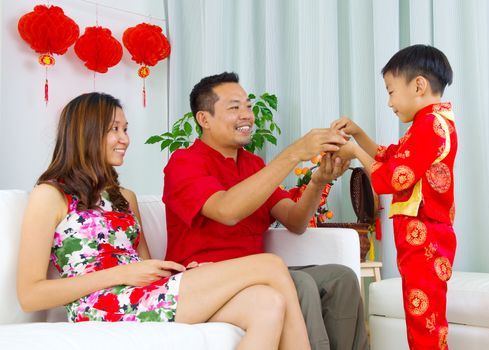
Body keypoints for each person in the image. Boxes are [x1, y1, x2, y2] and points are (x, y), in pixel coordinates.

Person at [16, 92, 312, 350]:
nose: (125, 139)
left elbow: (144, 267)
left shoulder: (124, 197)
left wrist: (179, 274)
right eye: (114, 130)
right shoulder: (50, 194)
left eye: (125, 129)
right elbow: (30, 295)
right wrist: (122, 275)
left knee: (267, 303)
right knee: (270, 265)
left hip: (141, 294)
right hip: (100, 306)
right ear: (86, 134)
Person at [163, 72, 369, 350]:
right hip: (209, 279)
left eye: (248, 106)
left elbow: (295, 221)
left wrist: (319, 180)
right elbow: (227, 210)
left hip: (260, 271)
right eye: (234, 107)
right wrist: (294, 153)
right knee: (302, 284)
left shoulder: (254, 165)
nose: (247, 115)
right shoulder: (184, 162)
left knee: (340, 278)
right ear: (204, 119)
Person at [331, 44, 457, 350]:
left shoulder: (430, 125)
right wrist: (359, 134)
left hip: (425, 237)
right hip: (421, 236)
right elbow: (388, 158)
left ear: (418, 85)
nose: (389, 102)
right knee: (422, 320)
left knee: (425, 323)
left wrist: (355, 152)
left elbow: (391, 177)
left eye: (390, 91)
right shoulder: (426, 124)